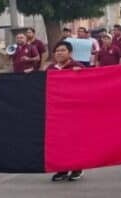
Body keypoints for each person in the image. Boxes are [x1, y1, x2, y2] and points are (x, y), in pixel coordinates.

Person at [46, 41, 85, 182]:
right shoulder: (51, 68)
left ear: (69, 53)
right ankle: (62, 169)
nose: (59, 53)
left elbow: (88, 86)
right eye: (57, 51)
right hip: (56, 111)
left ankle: (77, 168)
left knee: (74, 140)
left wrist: (81, 75)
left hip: (74, 111)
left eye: (62, 50)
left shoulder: (78, 67)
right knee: (59, 141)